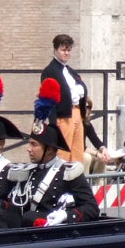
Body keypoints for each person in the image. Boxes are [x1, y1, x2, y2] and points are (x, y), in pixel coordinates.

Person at [9, 82, 100, 226]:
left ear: (50, 149)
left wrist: (66, 215)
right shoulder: (27, 172)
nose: (28, 149)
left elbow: (91, 209)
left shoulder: (69, 173)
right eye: (29, 143)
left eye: (34, 145)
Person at [41, 33, 88, 164]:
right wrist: (53, 122)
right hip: (64, 116)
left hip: (77, 112)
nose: (66, 53)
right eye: (63, 50)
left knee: (78, 154)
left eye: (68, 50)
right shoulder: (49, 71)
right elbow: (48, 99)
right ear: (55, 50)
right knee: (63, 154)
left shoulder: (70, 71)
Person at [81, 97, 111, 174]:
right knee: (86, 157)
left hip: (84, 153)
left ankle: (99, 185)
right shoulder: (74, 124)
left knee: (102, 158)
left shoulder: (87, 124)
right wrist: (97, 154)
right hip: (75, 155)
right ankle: (85, 184)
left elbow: (95, 140)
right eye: (84, 107)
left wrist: (103, 149)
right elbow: (80, 147)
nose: (86, 109)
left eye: (89, 107)